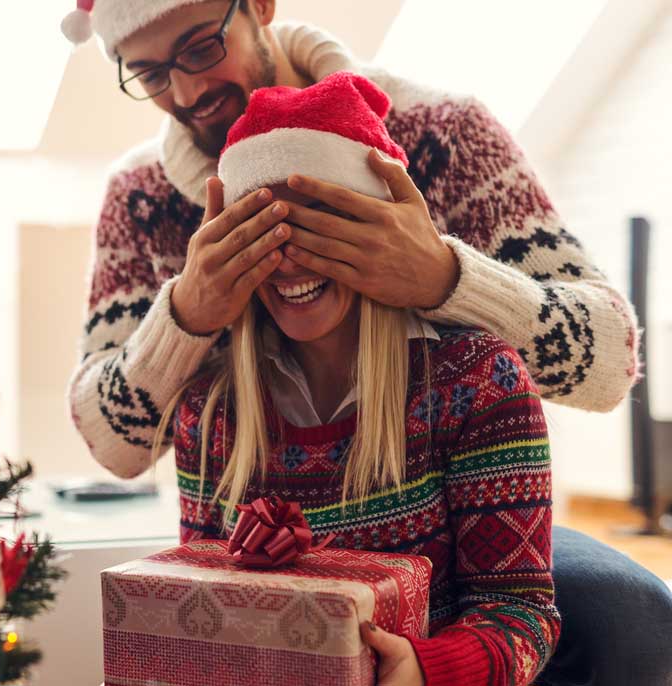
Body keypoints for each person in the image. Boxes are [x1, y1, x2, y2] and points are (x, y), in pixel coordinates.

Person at [62, 1, 672, 684]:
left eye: (202, 47)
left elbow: (611, 358)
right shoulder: (139, 200)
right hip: (270, 484)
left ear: (259, 7)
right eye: (147, 73)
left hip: (448, 498)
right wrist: (186, 316)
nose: (184, 93)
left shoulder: (445, 133)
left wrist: (445, 279)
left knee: (622, 608)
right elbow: (113, 445)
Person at [157, 70, 558, 685]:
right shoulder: (208, 412)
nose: (287, 256)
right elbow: (205, 606)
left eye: (319, 222)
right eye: (260, 229)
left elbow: (523, 613)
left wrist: (428, 670)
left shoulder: (477, 384)